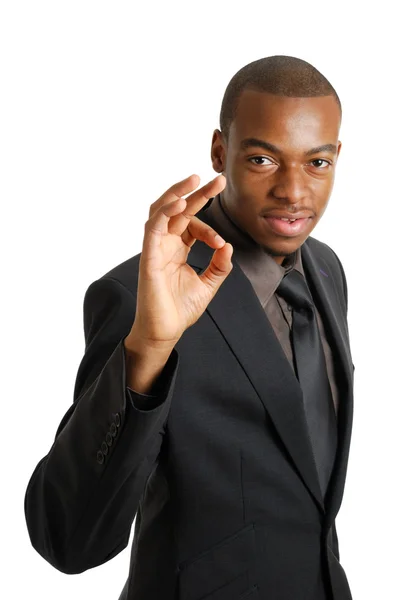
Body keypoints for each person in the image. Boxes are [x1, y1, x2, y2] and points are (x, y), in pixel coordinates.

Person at [24, 55, 355, 600]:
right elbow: (69, 539)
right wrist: (150, 345)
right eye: (264, 160)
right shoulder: (139, 295)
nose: (295, 192)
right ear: (221, 153)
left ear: (336, 157)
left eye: (316, 163)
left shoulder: (325, 268)